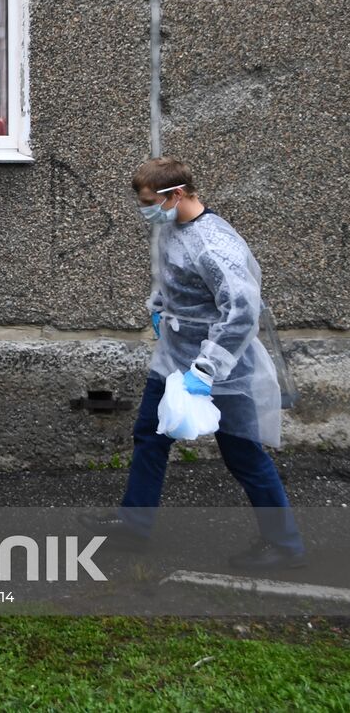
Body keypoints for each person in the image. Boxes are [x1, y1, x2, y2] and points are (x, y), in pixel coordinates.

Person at [81, 157, 306, 570]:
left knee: (244, 455)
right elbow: (173, 281)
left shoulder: (215, 245)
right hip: (174, 357)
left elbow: (240, 312)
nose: (145, 209)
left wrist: (207, 370)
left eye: (150, 201)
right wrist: (159, 307)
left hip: (221, 370)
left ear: (176, 194)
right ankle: (135, 524)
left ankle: (285, 545)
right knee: (150, 435)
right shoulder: (174, 227)